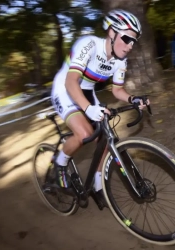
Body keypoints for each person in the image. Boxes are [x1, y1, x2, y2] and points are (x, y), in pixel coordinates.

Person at [51, 9, 150, 202]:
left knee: (106, 138)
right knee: (85, 134)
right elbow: (71, 82)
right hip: (65, 89)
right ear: (112, 32)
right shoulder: (88, 44)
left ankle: (98, 185)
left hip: (87, 92)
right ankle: (60, 163)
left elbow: (117, 90)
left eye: (134, 41)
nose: (130, 46)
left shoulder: (121, 60)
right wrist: (88, 109)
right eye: (127, 38)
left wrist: (133, 99)